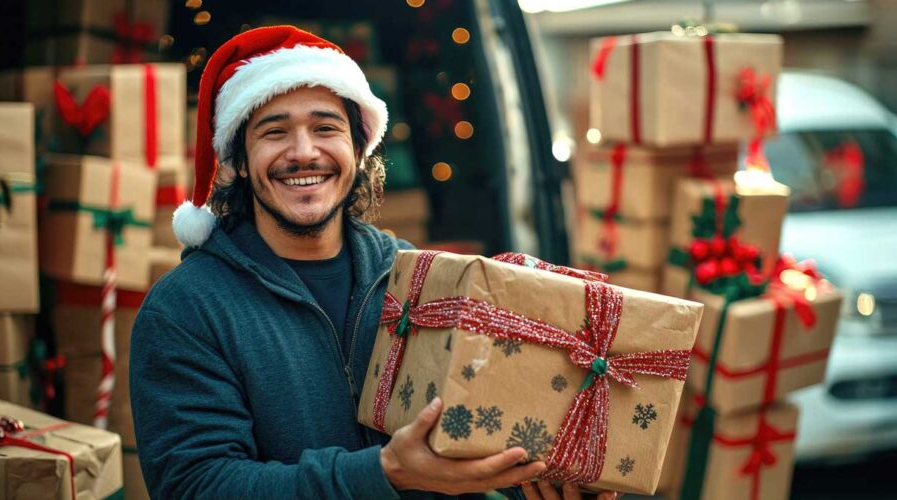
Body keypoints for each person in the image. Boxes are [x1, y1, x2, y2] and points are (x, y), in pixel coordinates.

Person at [130, 25, 619, 500]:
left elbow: (473, 426)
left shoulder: (417, 279)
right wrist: (385, 473)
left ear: (359, 149)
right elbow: (197, 486)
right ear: (237, 160)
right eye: (274, 132)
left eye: (326, 128)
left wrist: (537, 477)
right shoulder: (185, 309)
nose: (304, 153)